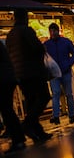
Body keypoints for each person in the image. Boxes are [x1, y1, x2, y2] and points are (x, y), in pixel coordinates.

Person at [6, 9, 52, 144]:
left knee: (31, 101)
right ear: (25, 17)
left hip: (20, 74)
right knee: (44, 97)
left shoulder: (10, 35)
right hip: (33, 71)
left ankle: (38, 132)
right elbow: (38, 49)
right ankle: (27, 125)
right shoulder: (26, 31)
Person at [44, 23, 74, 125]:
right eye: (51, 31)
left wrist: (68, 64)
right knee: (57, 94)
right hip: (55, 73)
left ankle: (70, 115)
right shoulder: (47, 45)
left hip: (64, 71)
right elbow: (43, 58)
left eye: (54, 31)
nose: (53, 33)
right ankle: (57, 116)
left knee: (67, 94)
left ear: (58, 31)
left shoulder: (65, 42)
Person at [0, 41, 26, 154]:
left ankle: (18, 139)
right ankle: (19, 137)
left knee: (6, 110)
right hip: (7, 78)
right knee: (7, 110)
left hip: (3, 80)